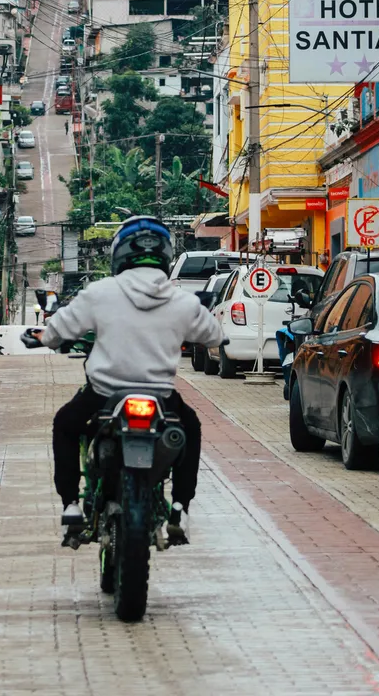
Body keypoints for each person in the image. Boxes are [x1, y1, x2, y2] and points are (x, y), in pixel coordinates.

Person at [35, 216, 225, 544]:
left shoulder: (100, 292)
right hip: (161, 397)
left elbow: (57, 332)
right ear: (165, 255)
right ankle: (180, 507)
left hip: (104, 393)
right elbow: (213, 335)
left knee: (65, 423)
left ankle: (71, 506)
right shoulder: (182, 300)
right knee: (190, 427)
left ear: (119, 253)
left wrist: (49, 337)